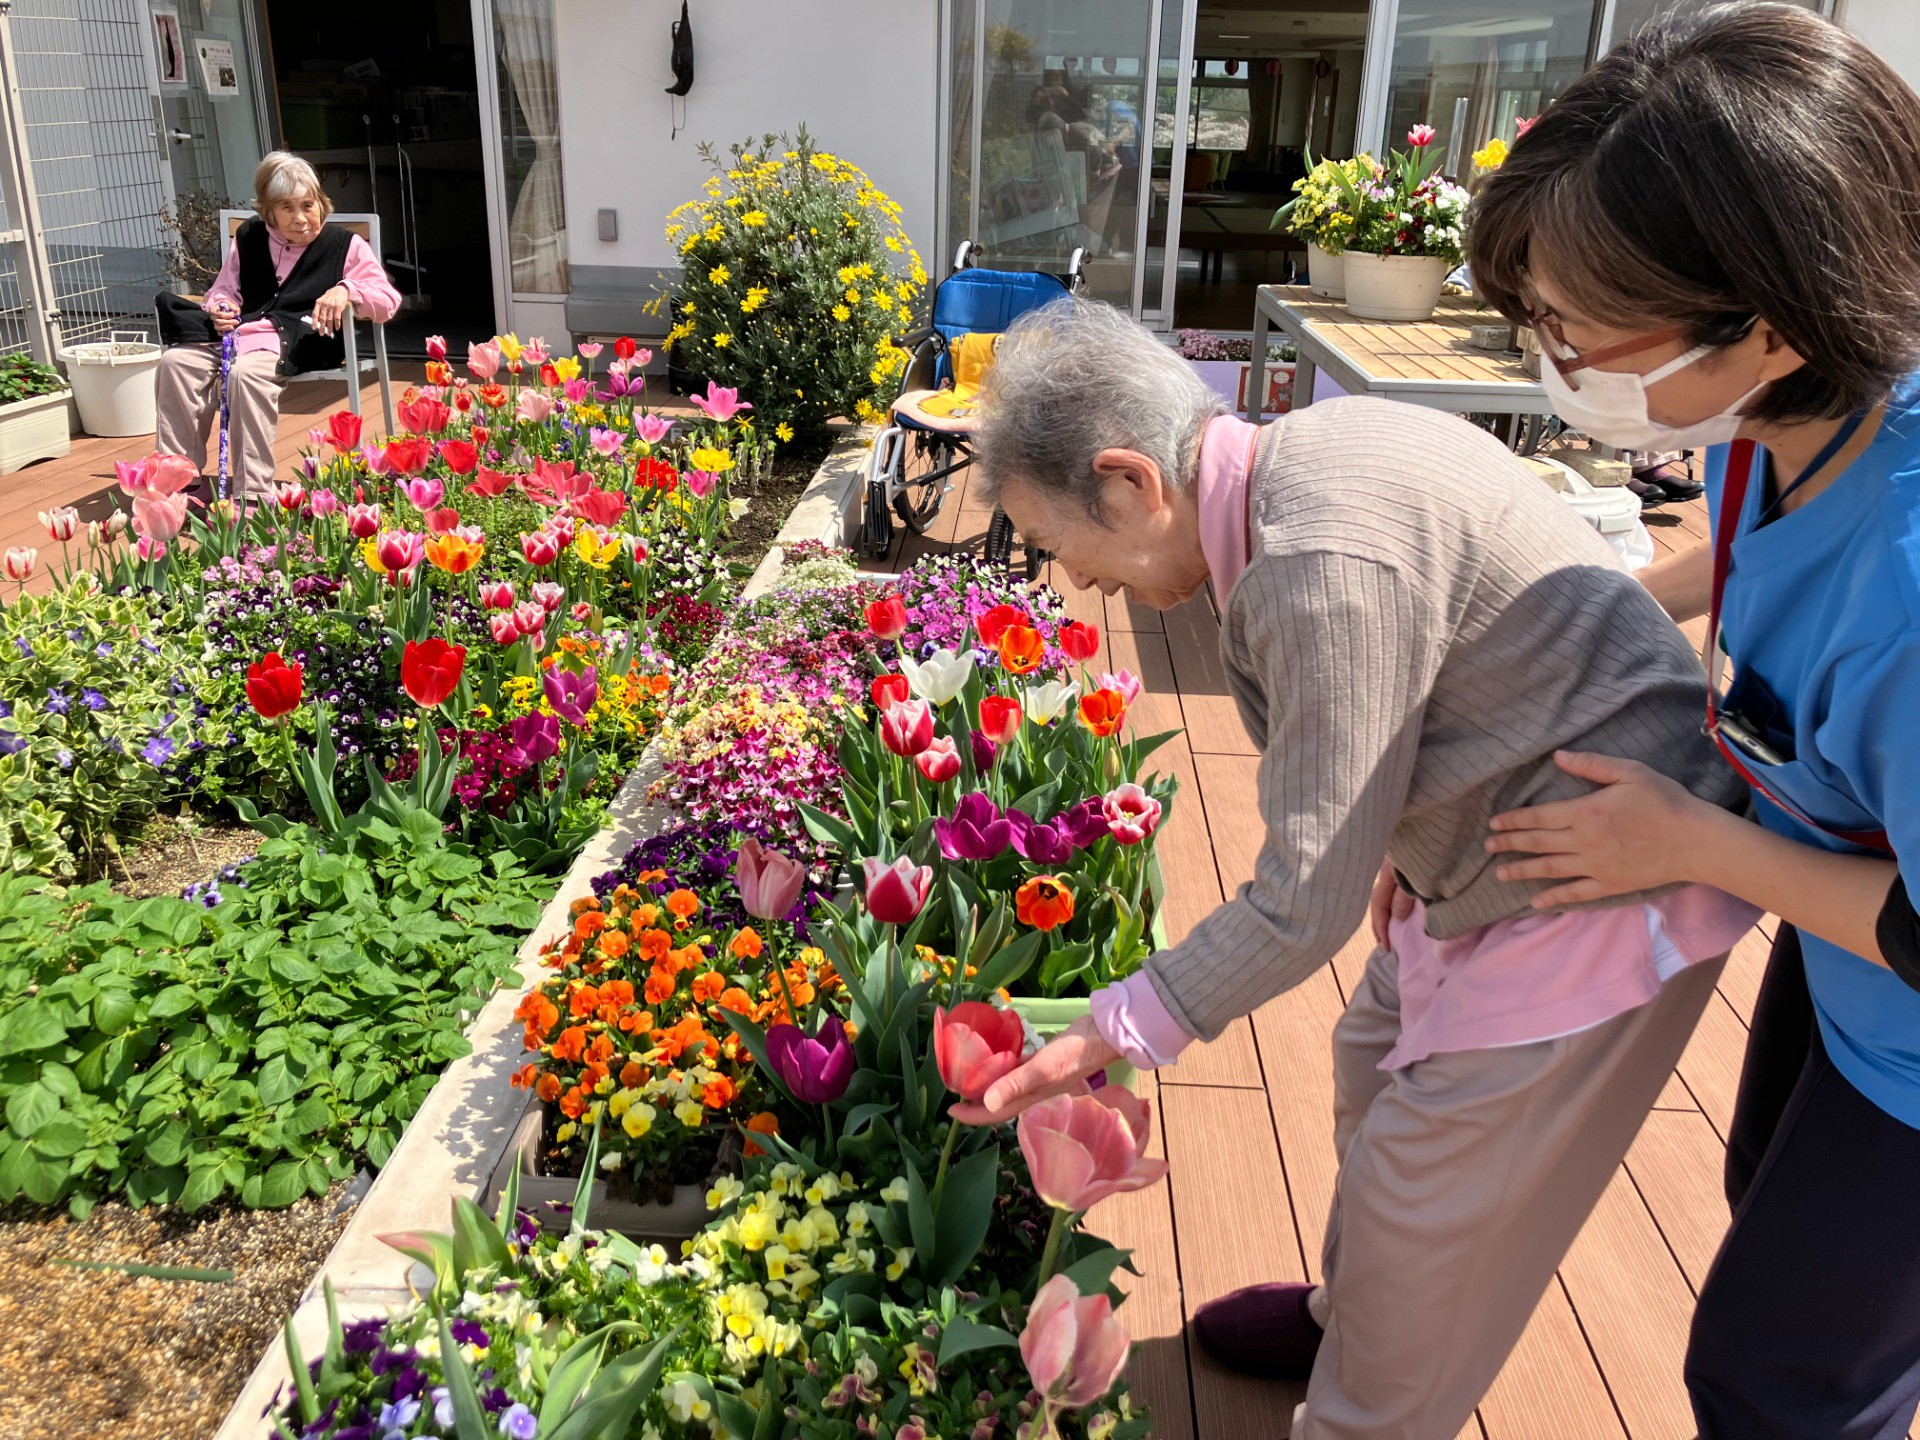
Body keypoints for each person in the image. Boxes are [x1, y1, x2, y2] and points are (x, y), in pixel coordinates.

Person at [955, 296, 1757, 1439]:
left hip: (1602, 867)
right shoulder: (1296, 464)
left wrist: (1112, 1026)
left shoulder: (1310, 557)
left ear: (1131, 483)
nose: (1073, 583)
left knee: (1427, 1201)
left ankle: (1367, 1413)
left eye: (1055, 544)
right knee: (1370, 1055)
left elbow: (1302, 903)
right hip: (1505, 819)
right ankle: (1351, 1315)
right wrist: (1407, 830)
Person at [1466, 6, 1920, 1436]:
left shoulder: (1911, 589)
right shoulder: (1793, 415)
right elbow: (1752, 555)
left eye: (1580, 332)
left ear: (1773, 319)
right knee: (1764, 1213)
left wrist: (1688, 842)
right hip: (1849, 983)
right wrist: (1594, 596)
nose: (1555, 356)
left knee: (1776, 1376)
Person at [155, 151, 399, 505]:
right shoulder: (251, 236)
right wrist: (221, 306)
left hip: (298, 340)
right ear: (269, 211)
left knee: (244, 375)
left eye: (308, 204)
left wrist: (347, 289)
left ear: (321, 203)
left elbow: (387, 301)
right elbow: (224, 288)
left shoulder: (344, 245)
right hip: (237, 334)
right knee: (175, 363)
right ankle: (179, 484)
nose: (301, 218)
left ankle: (252, 495)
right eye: (287, 208)